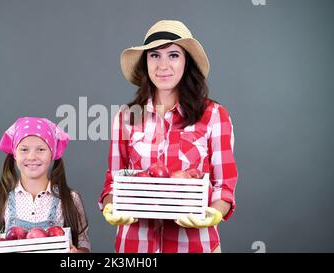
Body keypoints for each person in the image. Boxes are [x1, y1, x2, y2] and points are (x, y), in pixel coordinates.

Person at [99, 20, 238, 253]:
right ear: (145, 63)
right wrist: (110, 206)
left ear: (187, 62)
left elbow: (224, 185)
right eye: (154, 55)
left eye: (173, 55)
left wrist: (214, 213)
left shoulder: (214, 115)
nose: (163, 65)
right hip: (136, 248)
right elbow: (113, 180)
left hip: (194, 246)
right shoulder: (125, 117)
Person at [0, 117, 90, 253]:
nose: (32, 156)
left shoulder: (70, 199)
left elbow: (84, 245)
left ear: (52, 154)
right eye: (24, 150)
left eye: (41, 149)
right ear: (14, 154)